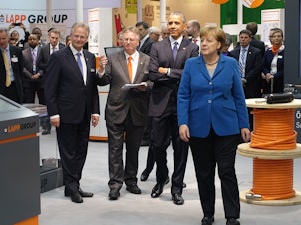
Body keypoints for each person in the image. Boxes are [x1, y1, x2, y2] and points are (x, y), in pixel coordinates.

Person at [177, 26, 250, 225]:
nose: (204, 44)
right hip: (198, 126)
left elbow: (238, 95)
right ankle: (207, 213)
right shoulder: (192, 64)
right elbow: (183, 95)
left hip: (227, 126)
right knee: (204, 173)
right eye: (202, 40)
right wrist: (182, 122)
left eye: (209, 41)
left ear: (219, 44)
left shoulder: (230, 64)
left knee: (226, 171)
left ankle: (232, 215)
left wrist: (244, 124)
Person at [44, 22, 100, 204]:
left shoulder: (90, 57)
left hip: (84, 114)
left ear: (87, 38)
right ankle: (72, 188)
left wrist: (95, 111)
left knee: (81, 151)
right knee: (68, 152)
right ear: (70, 36)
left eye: (82, 36)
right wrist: (53, 113)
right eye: (76, 35)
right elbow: (50, 88)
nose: (79, 39)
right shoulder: (59, 57)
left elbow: (91, 88)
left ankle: (74, 184)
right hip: (65, 114)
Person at [148, 11, 199, 206]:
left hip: (183, 105)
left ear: (184, 26)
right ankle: (162, 179)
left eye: (177, 23)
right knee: (158, 146)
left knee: (181, 149)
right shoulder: (157, 46)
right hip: (160, 104)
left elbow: (191, 74)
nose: (173, 26)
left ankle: (176, 188)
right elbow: (152, 74)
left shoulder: (192, 48)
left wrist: (167, 71)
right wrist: (177, 74)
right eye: (170, 23)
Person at [96, 26, 151, 200]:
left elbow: (153, 82)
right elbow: (103, 81)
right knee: (115, 149)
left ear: (137, 42)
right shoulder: (112, 58)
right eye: (125, 39)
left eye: (131, 39)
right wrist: (101, 70)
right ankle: (115, 185)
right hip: (116, 110)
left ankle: (131, 181)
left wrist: (145, 86)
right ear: (120, 41)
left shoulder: (147, 60)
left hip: (137, 110)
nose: (128, 42)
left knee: (133, 149)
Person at [228, 29, 262, 130]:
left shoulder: (256, 52)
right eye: (241, 38)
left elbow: (257, 68)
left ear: (250, 39)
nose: (243, 40)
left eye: (245, 38)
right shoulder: (233, 53)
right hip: (236, 85)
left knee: (251, 111)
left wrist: (245, 79)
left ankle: (252, 130)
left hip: (251, 85)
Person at [37, 28, 65, 135]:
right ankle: (46, 127)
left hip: (62, 81)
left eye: (56, 38)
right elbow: (39, 63)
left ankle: (62, 123)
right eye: (52, 38)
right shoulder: (44, 49)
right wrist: (50, 67)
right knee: (47, 103)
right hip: (47, 80)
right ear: (49, 38)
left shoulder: (63, 48)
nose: (54, 40)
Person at [0, 28, 24, 103]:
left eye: (4, 38)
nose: (1, 41)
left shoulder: (17, 51)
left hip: (14, 87)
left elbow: (20, 69)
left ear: (8, 38)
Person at [22, 34, 44, 104]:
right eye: (30, 39)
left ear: (38, 41)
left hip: (41, 80)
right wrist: (30, 75)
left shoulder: (43, 51)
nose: (32, 41)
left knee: (43, 102)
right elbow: (22, 67)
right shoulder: (23, 52)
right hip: (28, 81)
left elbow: (45, 64)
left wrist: (39, 74)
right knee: (28, 102)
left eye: (34, 39)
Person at [262, 27, 284, 94]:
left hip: (280, 81)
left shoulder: (285, 51)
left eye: (278, 36)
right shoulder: (268, 51)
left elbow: (286, 68)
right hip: (268, 81)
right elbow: (263, 65)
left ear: (282, 38)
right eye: (274, 36)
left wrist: (275, 76)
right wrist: (267, 73)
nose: (276, 38)